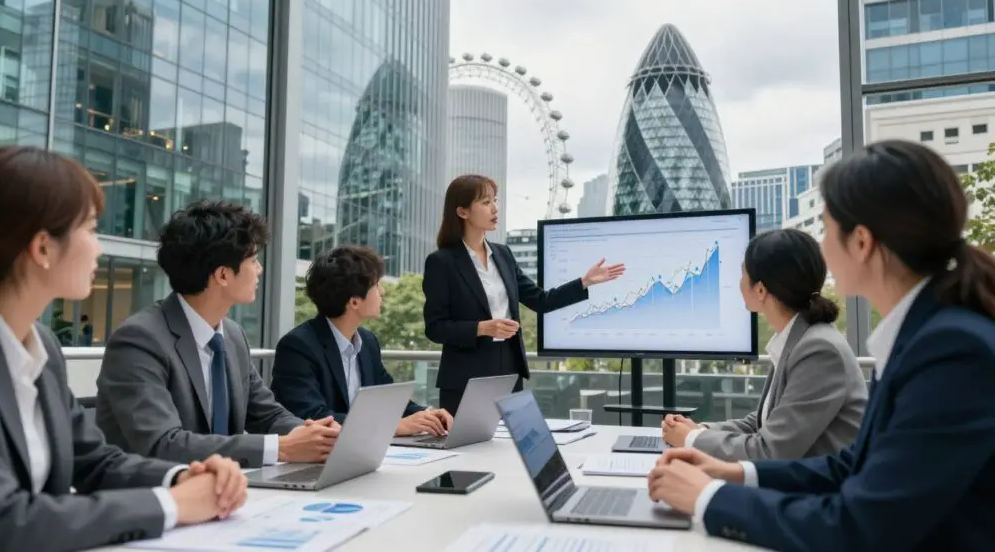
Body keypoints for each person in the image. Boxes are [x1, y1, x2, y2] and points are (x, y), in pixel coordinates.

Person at [648, 139, 995, 552]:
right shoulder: (924, 335)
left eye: (828, 228)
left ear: (862, 242)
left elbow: (861, 528)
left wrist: (708, 497)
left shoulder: (951, 352)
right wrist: (734, 474)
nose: (823, 248)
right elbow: (853, 467)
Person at [0, 146, 248, 552]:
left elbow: (95, 462)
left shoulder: (40, 346)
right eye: (91, 228)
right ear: (43, 247)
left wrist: (183, 478)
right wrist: (171, 505)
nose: (98, 248)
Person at [96, 201, 339, 469]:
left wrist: (318, 436)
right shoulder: (139, 340)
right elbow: (163, 443)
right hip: (155, 497)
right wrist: (282, 448)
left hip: (225, 490)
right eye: (253, 260)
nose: (259, 270)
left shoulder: (233, 336)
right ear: (223, 275)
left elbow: (267, 413)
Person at [423, 174, 625, 414]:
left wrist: (584, 282)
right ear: (463, 212)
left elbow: (540, 300)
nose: (495, 208)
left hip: (509, 369)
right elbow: (435, 327)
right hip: (465, 376)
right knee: (469, 449)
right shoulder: (441, 262)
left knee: (511, 446)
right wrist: (482, 328)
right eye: (486, 202)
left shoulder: (503, 255)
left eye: (495, 200)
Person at [661, 228, 867, 461]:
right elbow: (764, 423)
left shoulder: (819, 350)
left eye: (742, 274)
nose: (739, 283)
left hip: (818, 492)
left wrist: (691, 440)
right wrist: (701, 431)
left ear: (760, 290)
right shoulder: (800, 339)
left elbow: (769, 451)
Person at [272, 245, 453, 436]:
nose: (382, 292)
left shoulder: (367, 342)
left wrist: (426, 414)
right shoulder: (298, 347)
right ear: (354, 302)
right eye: (376, 286)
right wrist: (394, 426)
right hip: (318, 457)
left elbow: (387, 397)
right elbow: (313, 416)